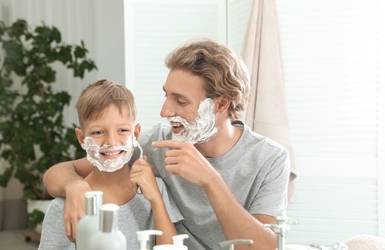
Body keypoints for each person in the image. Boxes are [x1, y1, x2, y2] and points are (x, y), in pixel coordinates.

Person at [43, 39, 290, 250]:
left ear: (220, 105)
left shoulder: (269, 159)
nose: (165, 111)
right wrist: (74, 186)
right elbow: (62, 171)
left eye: (180, 101)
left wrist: (210, 180)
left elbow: (264, 247)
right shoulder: (157, 143)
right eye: (166, 95)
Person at [39, 79, 183, 250]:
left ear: (136, 133)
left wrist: (156, 200)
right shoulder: (67, 206)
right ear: (82, 139)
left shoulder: (155, 188)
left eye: (122, 130)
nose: (111, 142)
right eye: (98, 132)